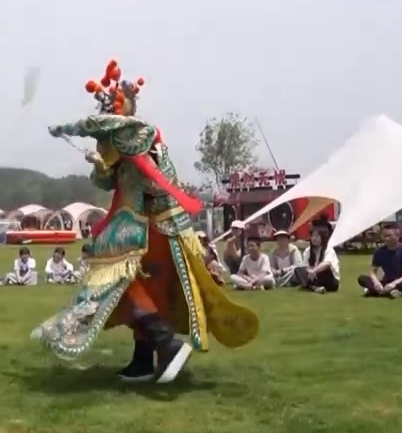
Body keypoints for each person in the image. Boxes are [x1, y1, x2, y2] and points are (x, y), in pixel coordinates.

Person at [33, 59, 258, 384]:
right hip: (137, 226)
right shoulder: (124, 145)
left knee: (125, 286)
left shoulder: (140, 133)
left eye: (114, 103)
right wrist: (99, 165)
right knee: (144, 290)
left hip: (155, 227)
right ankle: (144, 360)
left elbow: (101, 129)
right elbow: (108, 183)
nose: (109, 109)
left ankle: (166, 345)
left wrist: (66, 128)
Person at [359, 223, 402, 298]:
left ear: (397, 236)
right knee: (362, 278)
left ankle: (376, 292)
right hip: (387, 282)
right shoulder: (379, 252)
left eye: (389, 236)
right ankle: (389, 292)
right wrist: (376, 282)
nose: (386, 238)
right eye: (384, 236)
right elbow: (372, 271)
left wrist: (394, 283)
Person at [299, 224, 340, 294]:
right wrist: (309, 272)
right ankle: (315, 288)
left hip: (330, 280)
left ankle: (311, 286)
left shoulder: (329, 249)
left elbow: (327, 263)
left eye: (316, 236)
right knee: (298, 270)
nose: (313, 238)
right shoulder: (308, 250)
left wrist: (314, 271)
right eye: (312, 236)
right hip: (313, 277)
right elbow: (305, 266)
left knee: (325, 269)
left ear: (323, 237)